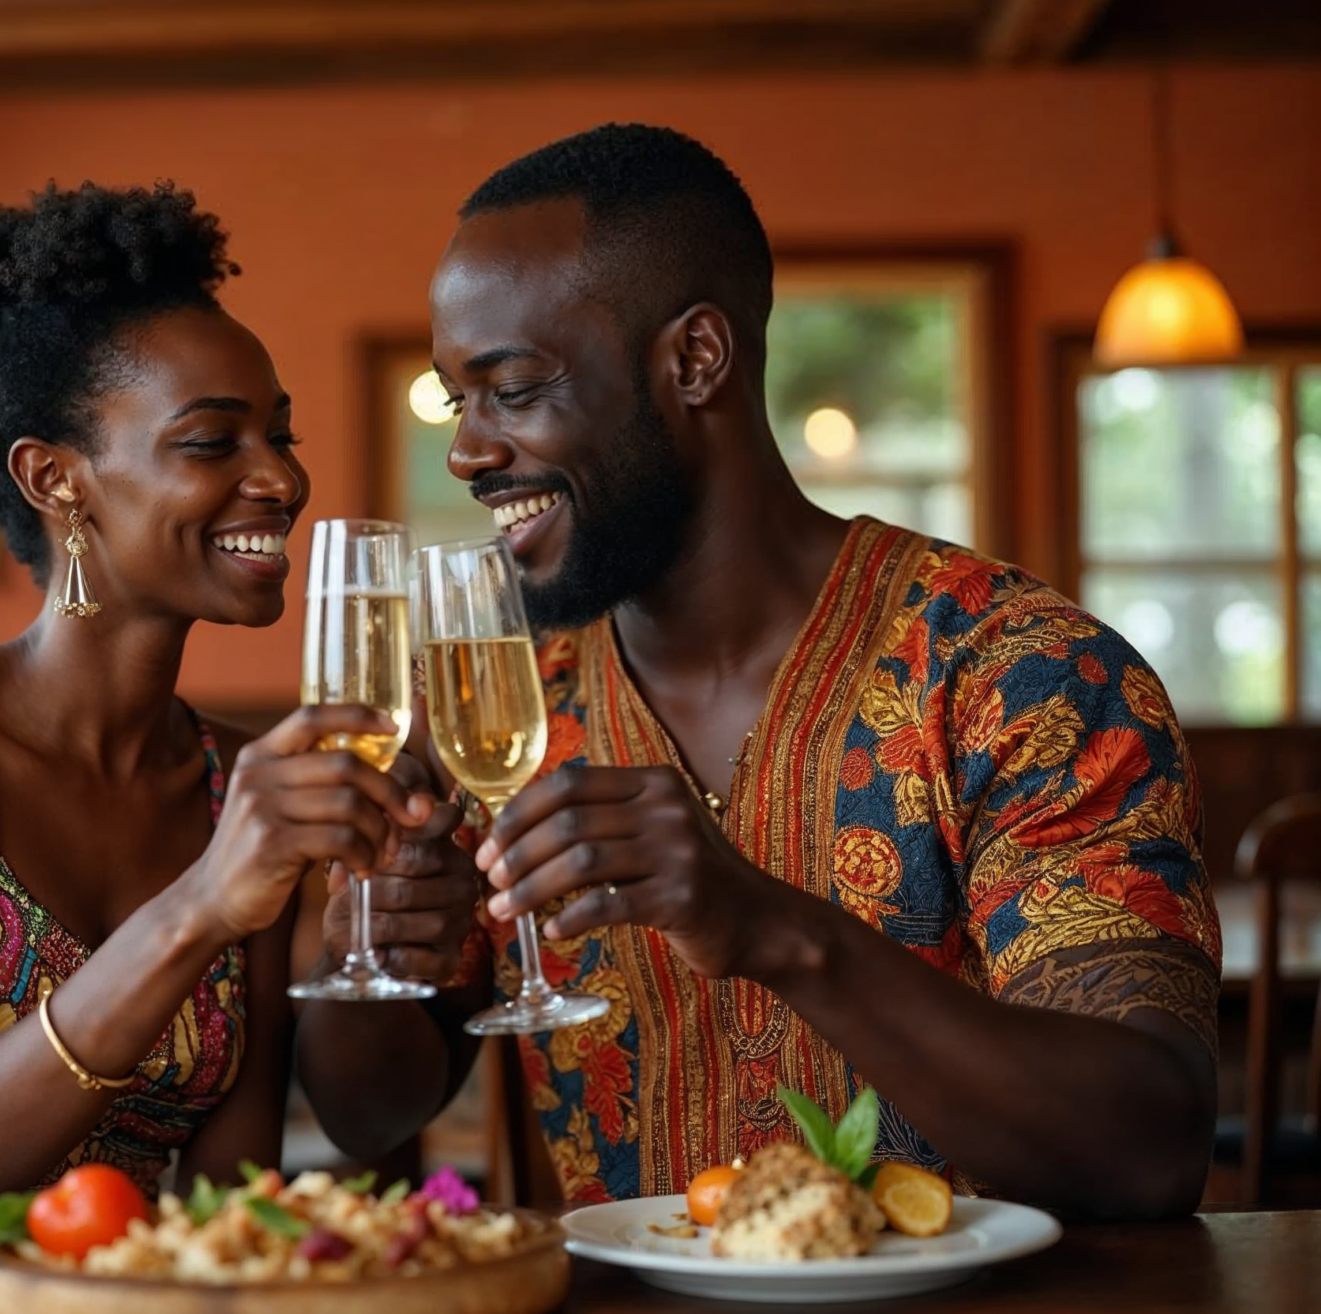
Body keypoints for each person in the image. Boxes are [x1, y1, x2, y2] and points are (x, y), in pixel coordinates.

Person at [300, 124, 1220, 1219]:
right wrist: (372, 938)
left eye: (514, 389)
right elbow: (370, 1112)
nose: (467, 450)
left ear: (695, 360)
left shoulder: (1019, 673)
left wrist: (773, 929)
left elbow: (1149, 1146)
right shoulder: (504, 703)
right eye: (461, 401)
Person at [0, 181, 475, 1203]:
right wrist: (204, 907)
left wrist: (360, 953)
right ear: (54, 479)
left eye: (282, 436)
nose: (285, 481)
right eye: (214, 441)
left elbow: (239, 1187)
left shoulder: (233, 786)